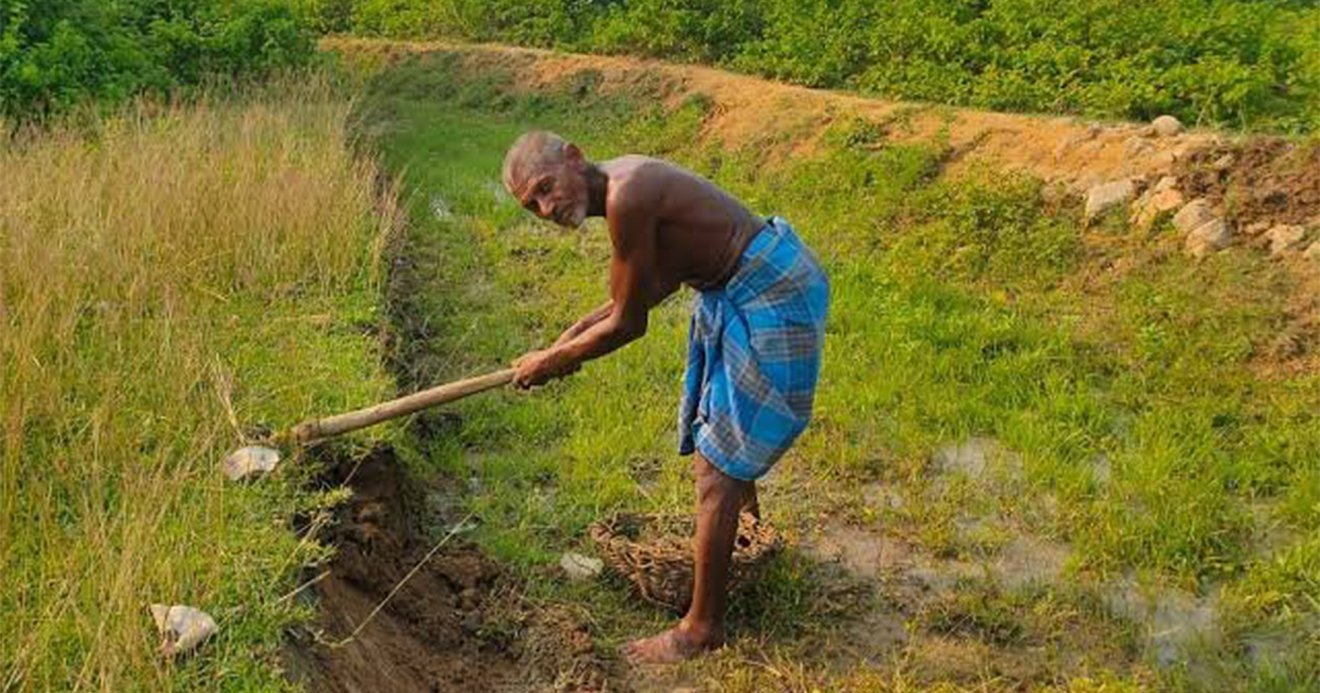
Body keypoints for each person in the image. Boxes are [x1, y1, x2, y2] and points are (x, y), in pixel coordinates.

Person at [502, 131, 829, 663]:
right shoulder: (622, 196)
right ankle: (745, 541)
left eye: (544, 188)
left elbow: (629, 325)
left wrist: (556, 361)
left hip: (771, 290)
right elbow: (629, 300)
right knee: (719, 444)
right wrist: (559, 346)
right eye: (531, 206)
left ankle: (701, 630)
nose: (545, 208)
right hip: (740, 288)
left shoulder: (629, 194)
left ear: (574, 157)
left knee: (716, 468)